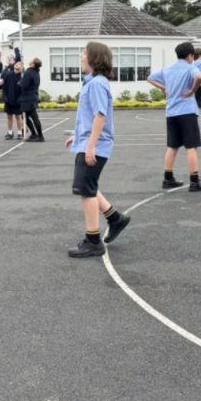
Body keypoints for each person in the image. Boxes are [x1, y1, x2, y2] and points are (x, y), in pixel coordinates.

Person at [66, 41, 130, 257]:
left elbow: (100, 115)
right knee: (88, 186)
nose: (81, 56)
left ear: (94, 58)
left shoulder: (96, 84)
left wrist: (90, 146)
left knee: (86, 191)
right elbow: (90, 116)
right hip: (89, 142)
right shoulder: (94, 82)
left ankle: (93, 241)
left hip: (95, 145)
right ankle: (115, 218)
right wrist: (78, 137)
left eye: (84, 53)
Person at [147, 42, 201, 192]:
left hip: (171, 112)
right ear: (190, 56)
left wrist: (164, 88)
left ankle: (168, 178)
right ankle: (194, 181)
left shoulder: (168, 69)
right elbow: (199, 77)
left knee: (172, 146)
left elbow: (149, 78)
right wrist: (192, 91)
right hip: (187, 111)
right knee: (191, 146)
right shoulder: (190, 67)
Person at [0, 54, 24, 140]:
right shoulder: (8, 74)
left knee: (18, 117)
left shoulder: (23, 76)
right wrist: (5, 97)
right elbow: (4, 87)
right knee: (9, 117)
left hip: (18, 101)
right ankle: (10, 132)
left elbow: (24, 90)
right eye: (16, 64)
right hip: (8, 100)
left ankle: (20, 132)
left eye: (19, 64)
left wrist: (20, 99)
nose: (17, 65)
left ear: (22, 67)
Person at [21, 57, 44, 141]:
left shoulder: (29, 72)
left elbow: (24, 85)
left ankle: (40, 136)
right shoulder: (36, 72)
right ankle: (34, 134)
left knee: (33, 117)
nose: (30, 60)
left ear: (33, 64)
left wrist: (19, 83)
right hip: (33, 96)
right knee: (25, 117)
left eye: (32, 60)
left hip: (28, 98)